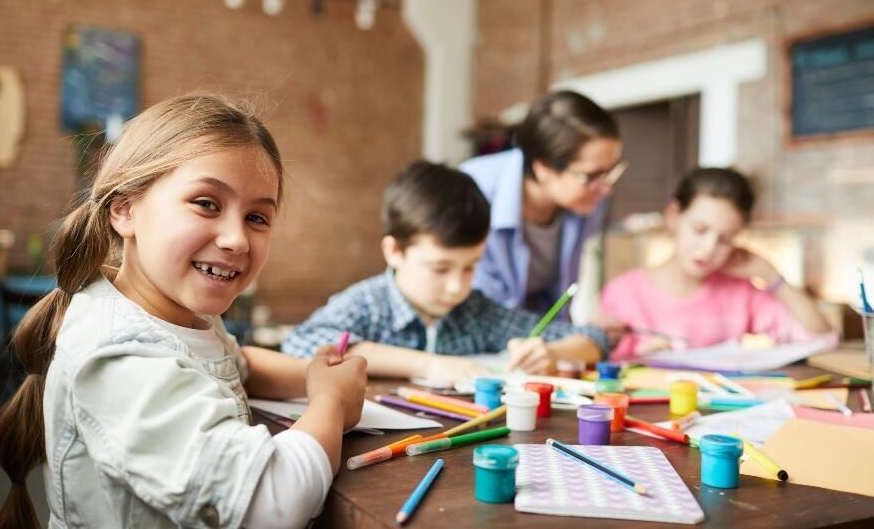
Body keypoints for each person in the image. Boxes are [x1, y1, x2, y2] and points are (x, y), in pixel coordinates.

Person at [0, 95, 367, 529]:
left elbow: (235, 363)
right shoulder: (120, 356)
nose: (237, 240)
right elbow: (272, 499)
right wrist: (330, 400)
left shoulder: (178, 314)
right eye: (207, 203)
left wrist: (313, 373)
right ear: (125, 209)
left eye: (258, 218)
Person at [282, 161, 608, 381]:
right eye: (440, 268)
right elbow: (301, 343)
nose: (457, 287)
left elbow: (595, 338)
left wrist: (551, 352)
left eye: (470, 267)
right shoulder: (367, 303)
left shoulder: (477, 312)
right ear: (394, 251)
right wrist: (429, 365)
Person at [598, 167, 834, 361]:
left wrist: (770, 274)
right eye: (700, 230)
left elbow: (821, 338)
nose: (709, 248)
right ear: (673, 216)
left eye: (725, 238)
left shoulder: (741, 293)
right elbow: (601, 360)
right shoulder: (623, 293)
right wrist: (634, 358)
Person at [460, 90, 625, 321]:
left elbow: (558, 301)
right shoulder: (473, 190)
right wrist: (576, 336)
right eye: (593, 176)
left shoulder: (586, 199)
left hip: (537, 338)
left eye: (610, 172)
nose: (606, 188)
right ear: (544, 168)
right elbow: (486, 313)